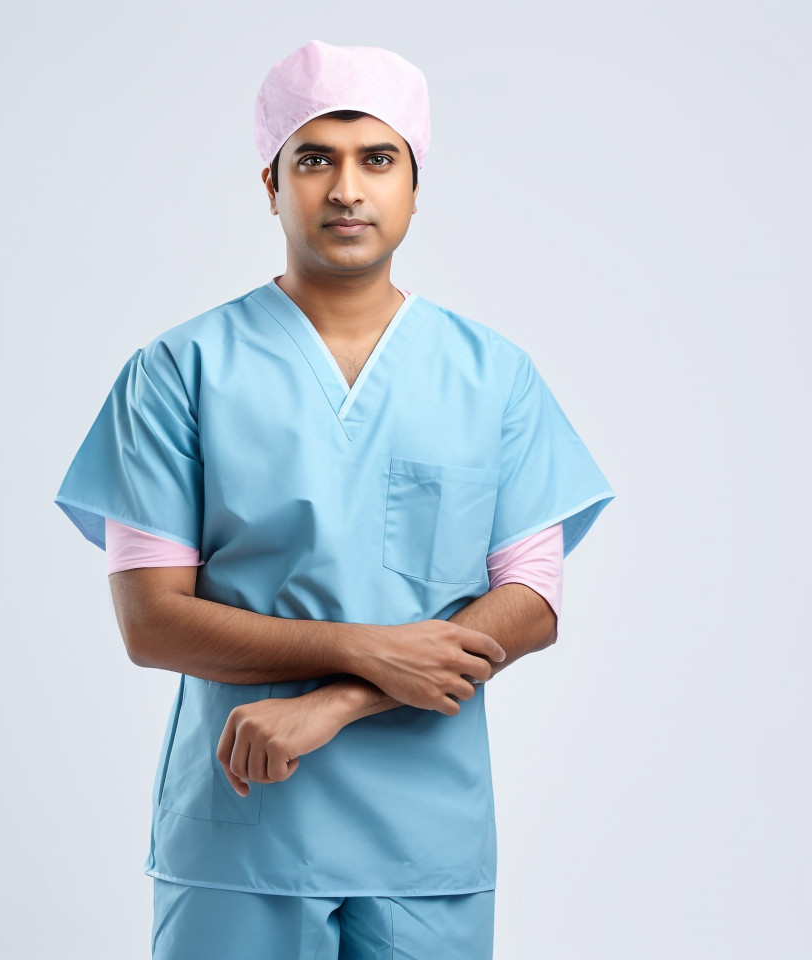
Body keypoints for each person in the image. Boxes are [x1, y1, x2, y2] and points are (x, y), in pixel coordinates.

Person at [53, 38, 615, 960]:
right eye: (315, 159)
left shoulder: (494, 378)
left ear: (415, 186)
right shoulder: (178, 373)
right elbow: (152, 623)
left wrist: (338, 699)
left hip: (425, 846)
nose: (347, 189)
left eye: (377, 159)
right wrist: (366, 648)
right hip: (242, 832)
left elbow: (533, 603)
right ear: (271, 185)